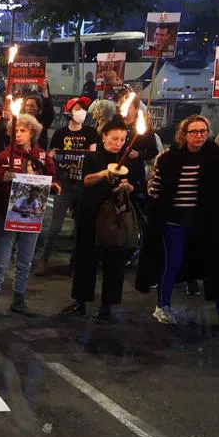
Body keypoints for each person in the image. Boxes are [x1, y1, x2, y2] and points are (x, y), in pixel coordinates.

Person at [135, 116, 219, 332]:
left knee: (218, 264)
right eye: (194, 131)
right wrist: (151, 186)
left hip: (208, 222)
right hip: (175, 221)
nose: (199, 135)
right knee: (171, 263)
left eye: (203, 131)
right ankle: (162, 305)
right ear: (184, 134)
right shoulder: (168, 158)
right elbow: (157, 188)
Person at [60, 118, 143, 320]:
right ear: (104, 137)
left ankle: (108, 305)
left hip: (116, 216)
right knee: (86, 258)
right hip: (92, 213)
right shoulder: (93, 157)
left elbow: (137, 187)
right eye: (114, 138)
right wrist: (105, 173)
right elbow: (86, 181)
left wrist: (127, 187)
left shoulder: (130, 159)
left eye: (123, 139)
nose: (118, 142)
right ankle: (80, 300)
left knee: (114, 260)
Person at [0, 113, 59, 318]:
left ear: (32, 133)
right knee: (1, 261)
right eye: (15, 130)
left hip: (32, 216)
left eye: (23, 130)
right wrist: (3, 179)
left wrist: (53, 186)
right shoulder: (3, 157)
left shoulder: (43, 157)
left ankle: (19, 300)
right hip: (6, 215)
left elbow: (52, 180)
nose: (18, 134)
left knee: (25, 261)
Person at [35, 96, 100, 275]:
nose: (82, 112)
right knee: (55, 225)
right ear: (69, 112)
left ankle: (75, 261)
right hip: (64, 184)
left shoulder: (91, 133)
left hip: (83, 184)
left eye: (83, 109)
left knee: (80, 227)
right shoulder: (60, 134)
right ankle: (44, 259)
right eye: (78, 108)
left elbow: (93, 157)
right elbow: (51, 155)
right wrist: (53, 156)